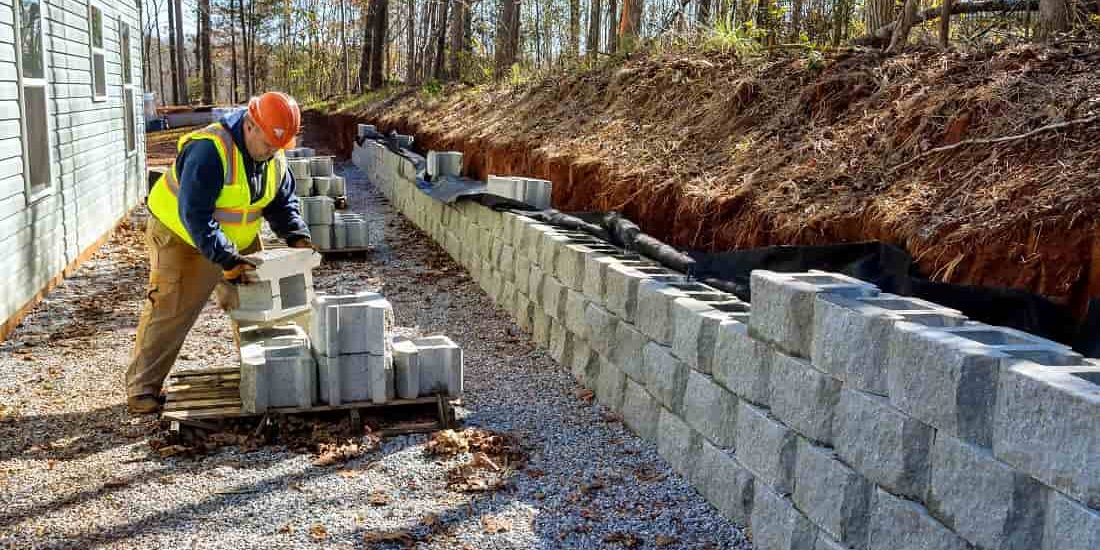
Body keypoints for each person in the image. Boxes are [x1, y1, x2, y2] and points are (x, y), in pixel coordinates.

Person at [127, 92, 313, 414]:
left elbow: (282, 202)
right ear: (250, 125)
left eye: (277, 147)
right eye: (267, 144)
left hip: (237, 240)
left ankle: (265, 375)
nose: (271, 153)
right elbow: (195, 215)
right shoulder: (209, 150)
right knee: (170, 309)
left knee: (259, 306)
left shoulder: (273, 156)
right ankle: (142, 389)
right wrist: (226, 259)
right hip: (181, 235)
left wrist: (297, 236)